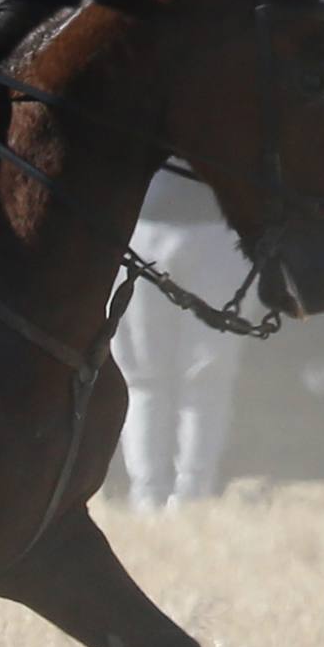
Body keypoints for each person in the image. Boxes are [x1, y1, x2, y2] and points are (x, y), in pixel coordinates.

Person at [112, 168, 255, 513]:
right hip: (149, 225)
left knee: (204, 374)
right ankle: (152, 495)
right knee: (148, 376)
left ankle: (190, 495)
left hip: (216, 228)